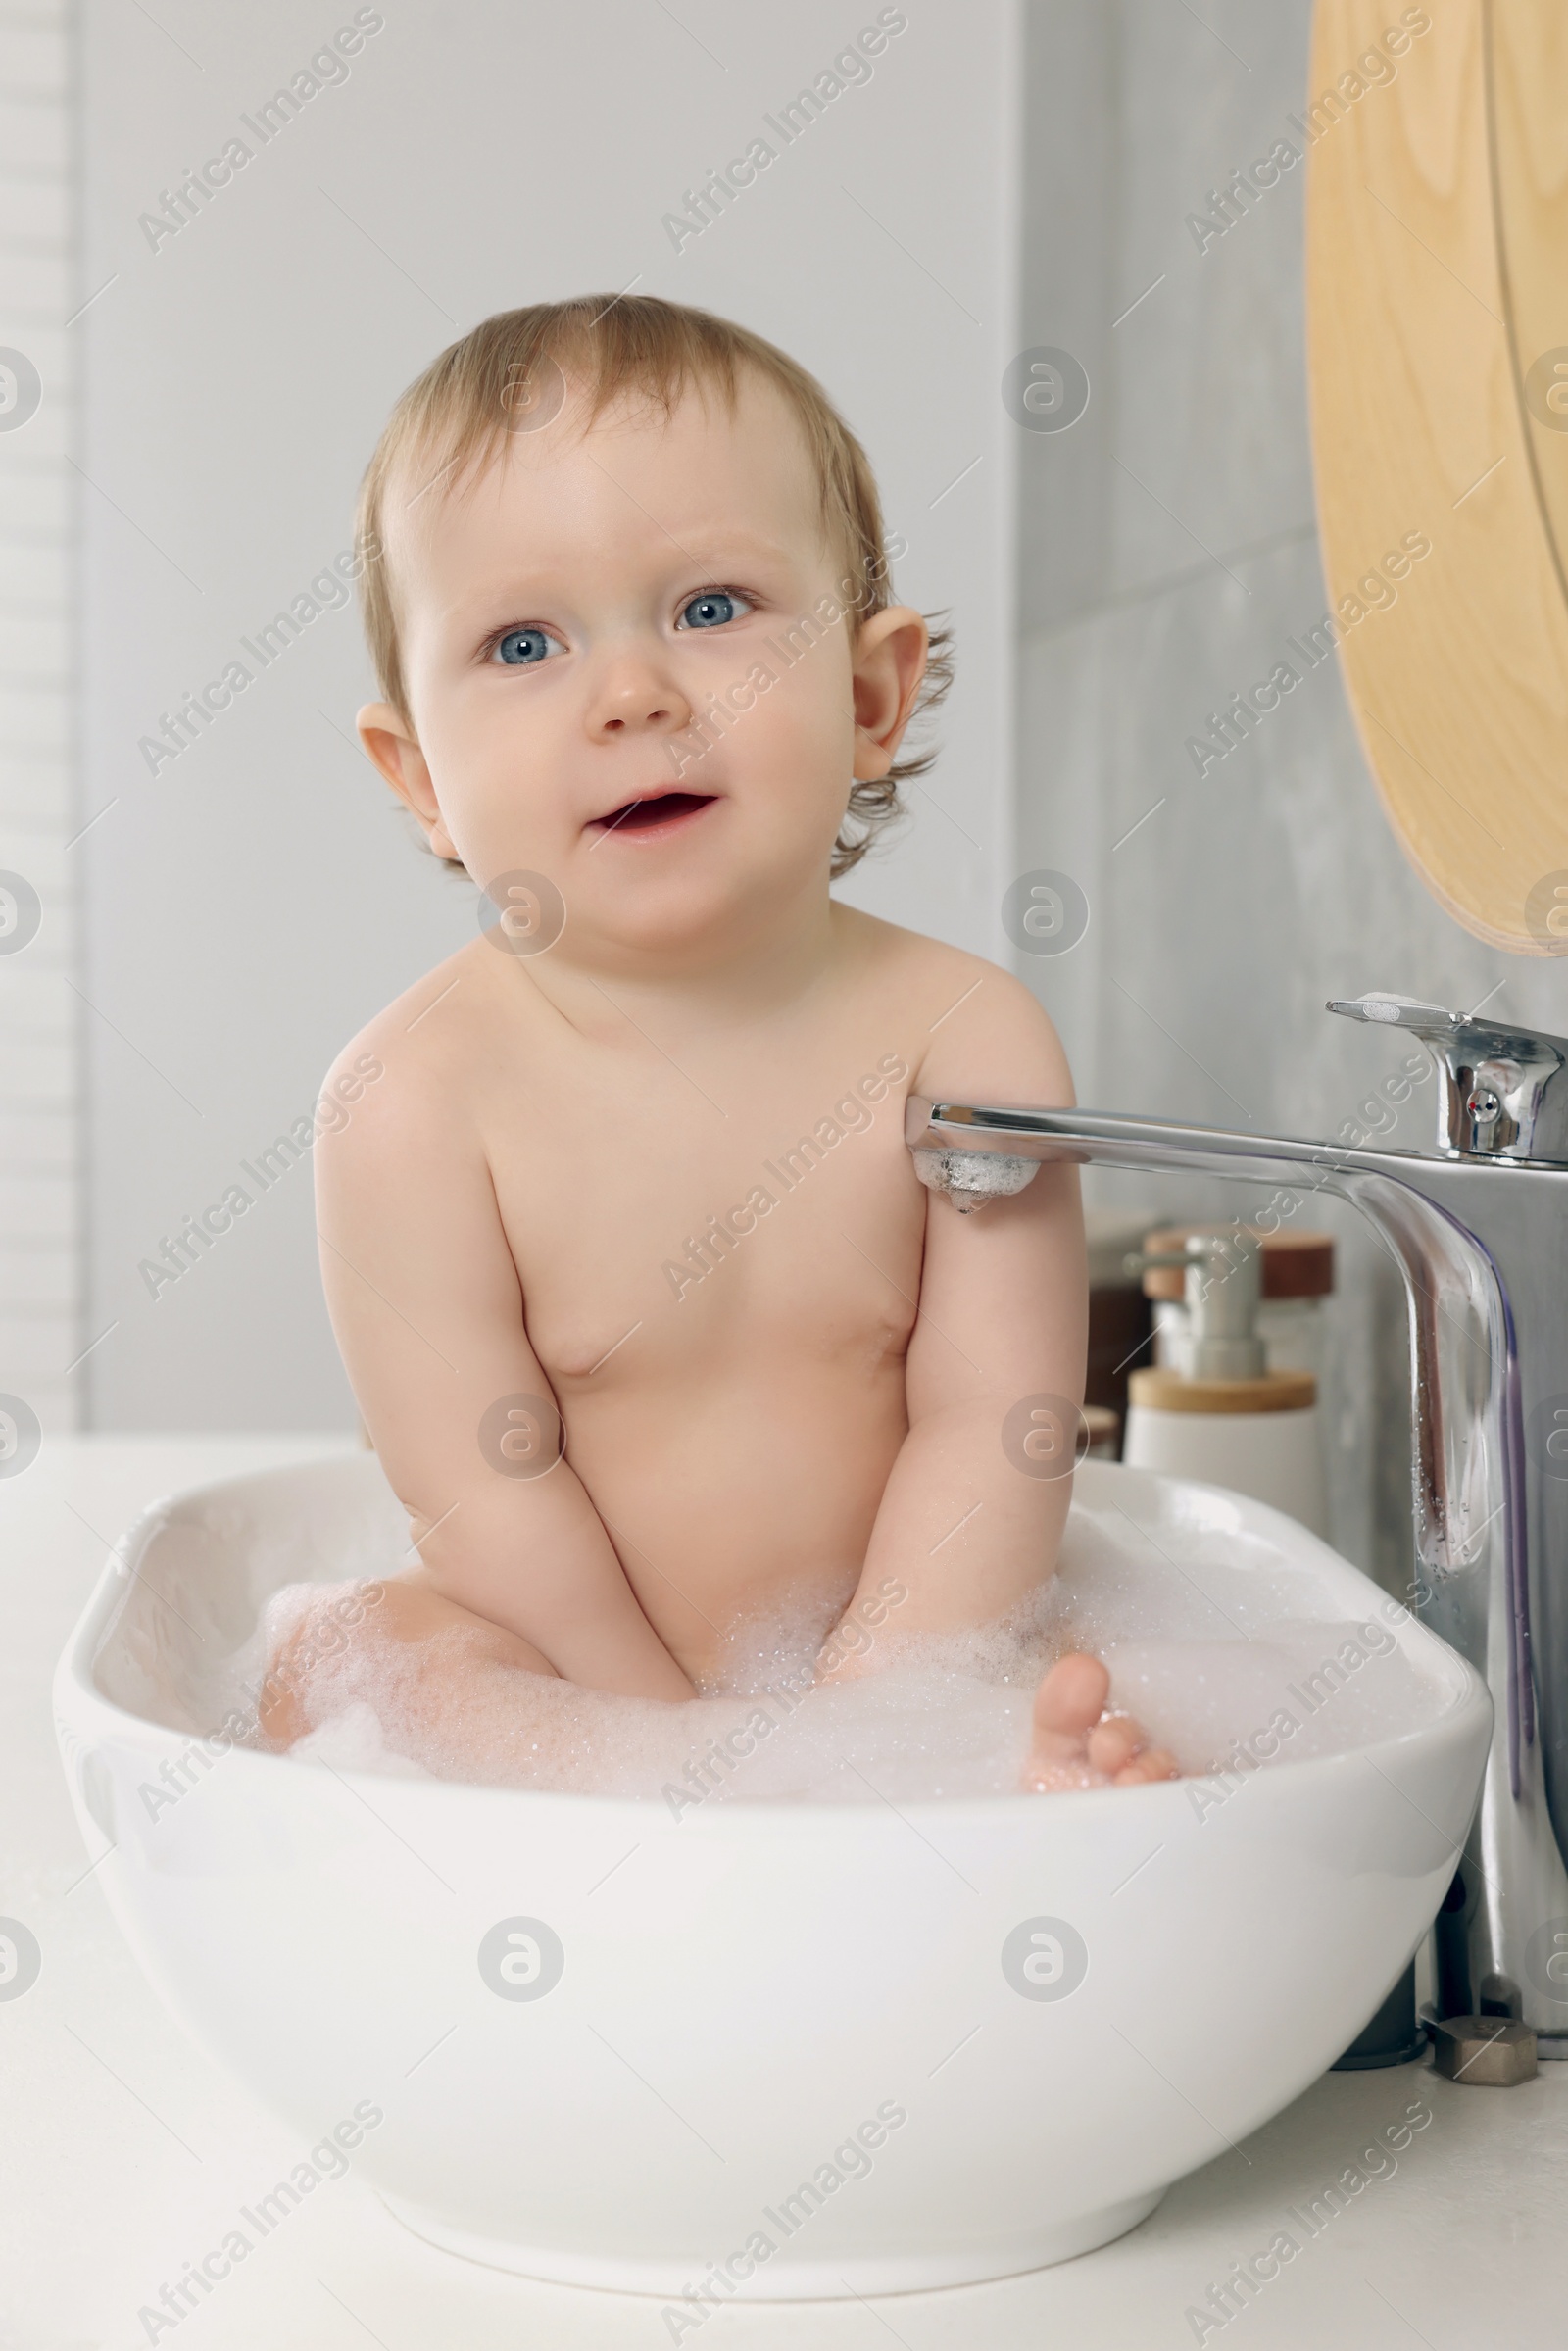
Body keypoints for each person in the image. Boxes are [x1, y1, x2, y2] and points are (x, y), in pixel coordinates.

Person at [261, 294, 1175, 1796]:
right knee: (345, 1668)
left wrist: (879, 1728)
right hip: (572, 1675)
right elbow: (483, 1498)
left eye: (709, 609)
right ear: (419, 777)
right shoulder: (415, 1104)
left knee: (1101, 1669)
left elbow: (993, 1429)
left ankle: (1010, 1783)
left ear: (872, 693)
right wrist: (679, 1767)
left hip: (904, 1642)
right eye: (524, 641)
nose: (633, 696)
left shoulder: (963, 1042)